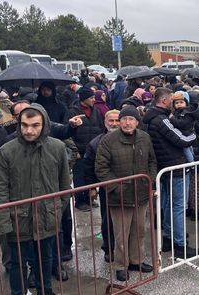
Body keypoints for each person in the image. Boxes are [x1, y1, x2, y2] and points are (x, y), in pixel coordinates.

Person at [0, 104, 71, 295]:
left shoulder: (57, 147)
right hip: (17, 219)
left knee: (45, 259)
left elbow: (64, 185)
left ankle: (45, 290)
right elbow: (1, 188)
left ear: (44, 124)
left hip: (47, 216)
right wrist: (4, 222)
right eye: (24, 125)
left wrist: (56, 209)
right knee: (18, 263)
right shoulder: (7, 151)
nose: (29, 130)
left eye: (35, 125)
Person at [95, 106, 157, 282]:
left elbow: (152, 161)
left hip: (141, 193)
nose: (127, 123)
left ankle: (136, 261)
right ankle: (121, 265)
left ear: (137, 122)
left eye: (131, 119)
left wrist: (149, 180)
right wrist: (117, 187)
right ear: (120, 121)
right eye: (124, 119)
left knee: (139, 230)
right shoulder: (108, 140)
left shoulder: (145, 138)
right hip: (119, 196)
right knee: (121, 233)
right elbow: (101, 168)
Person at [142, 87, 199, 258]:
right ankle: (180, 244)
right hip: (175, 167)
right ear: (164, 100)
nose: (173, 103)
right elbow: (182, 139)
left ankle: (168, 238)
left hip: (165, 167)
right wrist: (193, 134)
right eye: (171, 99)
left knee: (169, 205)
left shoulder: (152, 117)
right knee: (178, 207)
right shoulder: (161, 119)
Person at [83, 109, 120, 264]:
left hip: (129, 186)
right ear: (105, 122)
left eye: (117, 120)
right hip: (107, 187)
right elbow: (88, 167)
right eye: (110, 121)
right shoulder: (95, 142)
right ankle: (109, 248)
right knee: (108, 219)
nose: (114, 124)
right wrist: (92, 188)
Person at [66, 87, 105, 211]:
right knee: (79, 176)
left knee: (91, 174)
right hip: (79, 150)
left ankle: (90, 198)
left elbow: (100, 127)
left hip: (93, 149)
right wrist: (74, 150)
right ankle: (80, 201)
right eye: (91, 97)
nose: (94, 100)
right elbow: (68, 132)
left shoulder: (96, 111)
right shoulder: (73, 111)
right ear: (84, 98)